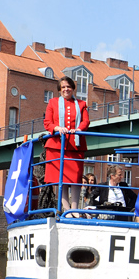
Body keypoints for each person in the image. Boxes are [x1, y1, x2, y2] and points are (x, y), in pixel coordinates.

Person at [44, 75, 90, 215]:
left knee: (75, 177)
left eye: (68, 87)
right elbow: (47, 122)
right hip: (57, 145)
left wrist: (78, 129)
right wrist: (57, 128)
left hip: (75, 145)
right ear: (59, 90)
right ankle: (66, 209)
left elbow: (85, 121)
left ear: (73, 88)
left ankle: (75, 209)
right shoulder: (52, 102)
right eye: (63, 87)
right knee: (60, 178)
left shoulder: (81, 104)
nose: (66, 89)